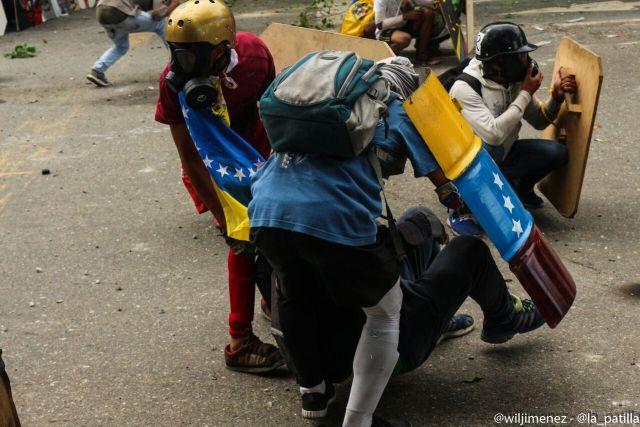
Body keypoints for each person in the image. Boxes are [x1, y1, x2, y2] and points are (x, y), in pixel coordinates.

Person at [249, 57, 543, 427]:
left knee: (297, 287)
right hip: (336, 222)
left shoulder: (316, 114)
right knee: (429, 279)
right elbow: (447, 183)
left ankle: (313, 390)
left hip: (267, 213)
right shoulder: (396, 108)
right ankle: (360, 420)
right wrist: (471, 203)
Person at [154, 0, 284, 373]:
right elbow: (189, 157)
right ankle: (239, 341)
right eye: (176, 54)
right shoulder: (171, 84)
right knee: (242, 240)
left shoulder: (254, 54)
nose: (181, 66)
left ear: (221, 48)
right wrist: (222, 214)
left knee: (277, 228)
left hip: (256, 151)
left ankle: (273, 298)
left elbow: (272, 107)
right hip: (210, 164)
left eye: (192, 56)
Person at [449, 21, 578, 209]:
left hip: (503, 152)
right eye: (520, 56)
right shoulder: (465, 87)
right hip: (471, 167)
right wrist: (525, 93)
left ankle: (519, 187)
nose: (526, 61)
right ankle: (468, 202)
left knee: (556, 153)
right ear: (499, 62)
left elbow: (539, 120)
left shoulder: (512, 80)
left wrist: (556, 97)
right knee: (493, 149)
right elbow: (493, 136)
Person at [87, 0, 179, 87]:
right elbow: (158, 15)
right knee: (160, 23)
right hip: (118, 12)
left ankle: (97, 70)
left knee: (121, 47)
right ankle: (178, 64)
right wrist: (170, 8)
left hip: (101, 13)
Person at [373, 0, 440, 65]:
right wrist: (404, 16)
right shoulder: (380, 1)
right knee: (404, 39)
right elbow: (379, 25)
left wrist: (435, 4)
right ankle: (383, 56)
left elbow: (421, 1)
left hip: (402, 25)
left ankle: (421, 53)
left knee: (427, 14)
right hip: (384, 32)